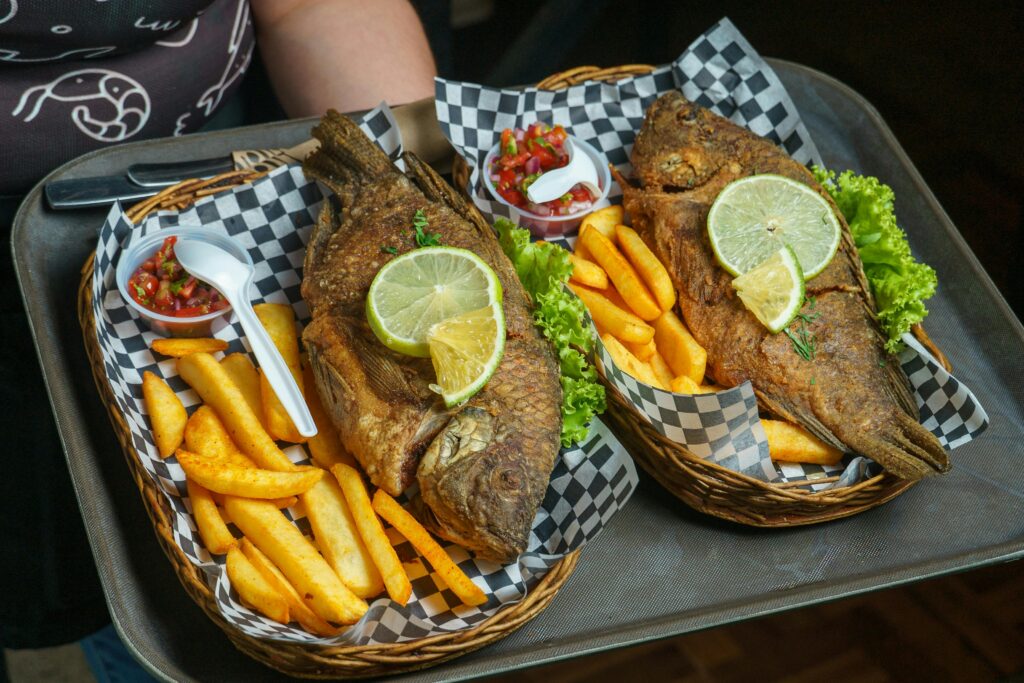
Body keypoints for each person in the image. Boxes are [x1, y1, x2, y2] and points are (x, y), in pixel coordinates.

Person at [0, 0, 437, 678]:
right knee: (52, 554)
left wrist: (401, 207)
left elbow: (313, 7)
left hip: (207, 169)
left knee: (162, 602)